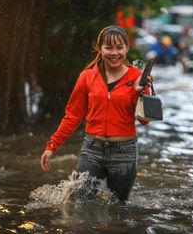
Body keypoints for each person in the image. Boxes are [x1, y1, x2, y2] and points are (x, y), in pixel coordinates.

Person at [40, 25, 152, 203]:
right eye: (108, 47)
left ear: (127, 48)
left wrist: (141, 91)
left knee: (118, 209)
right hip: (92, 151)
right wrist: (52, 146)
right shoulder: (86, 77)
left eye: (119, 47)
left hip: (124, 154)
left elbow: (145, 121)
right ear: (99, 48)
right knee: (75, 204)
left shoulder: (138, 77)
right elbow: (73, 116)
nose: (114, 53)